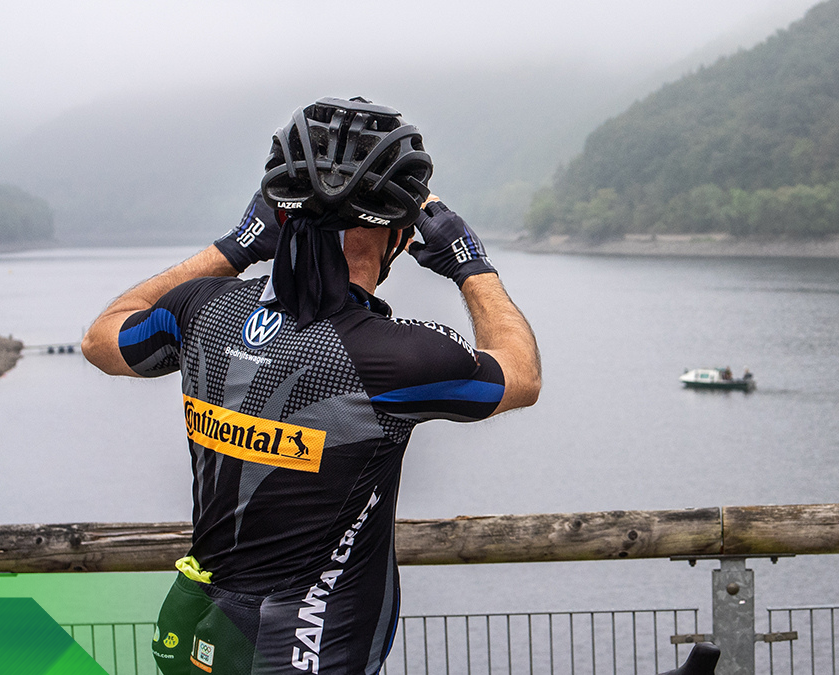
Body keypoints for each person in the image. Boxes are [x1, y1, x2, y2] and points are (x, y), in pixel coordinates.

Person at [81, 97, 541, 675]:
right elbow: (521, 376)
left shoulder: (201, 312)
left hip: (195, 628)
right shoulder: (395, 357)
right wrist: (471, 264)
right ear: (400, 235)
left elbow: (102, 339)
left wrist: (235, 247)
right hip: (308, 649)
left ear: (279, 215)